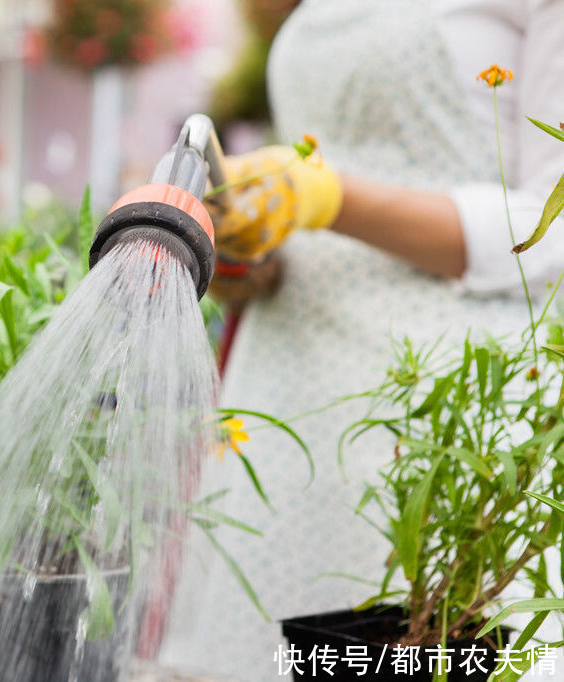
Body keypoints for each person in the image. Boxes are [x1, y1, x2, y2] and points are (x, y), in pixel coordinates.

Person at [156, 1, 564, 680]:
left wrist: (331, 199)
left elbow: (551, 223)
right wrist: (245, 252)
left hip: (438, 415)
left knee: (428, 652)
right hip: (286, 399)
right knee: (265, 652)